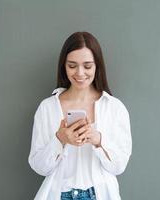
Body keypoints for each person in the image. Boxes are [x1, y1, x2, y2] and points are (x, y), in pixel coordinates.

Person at [28, 32, 132, 200]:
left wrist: (98, 140)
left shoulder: (114, 108)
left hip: (99, 194)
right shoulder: (47, 107)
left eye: (87, 66)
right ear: (63, 65)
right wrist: (59, 139)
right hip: (59, 194)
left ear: (97, 66)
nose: (80, 73)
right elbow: (39, 167)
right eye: (72, 65)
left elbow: (119, 166)